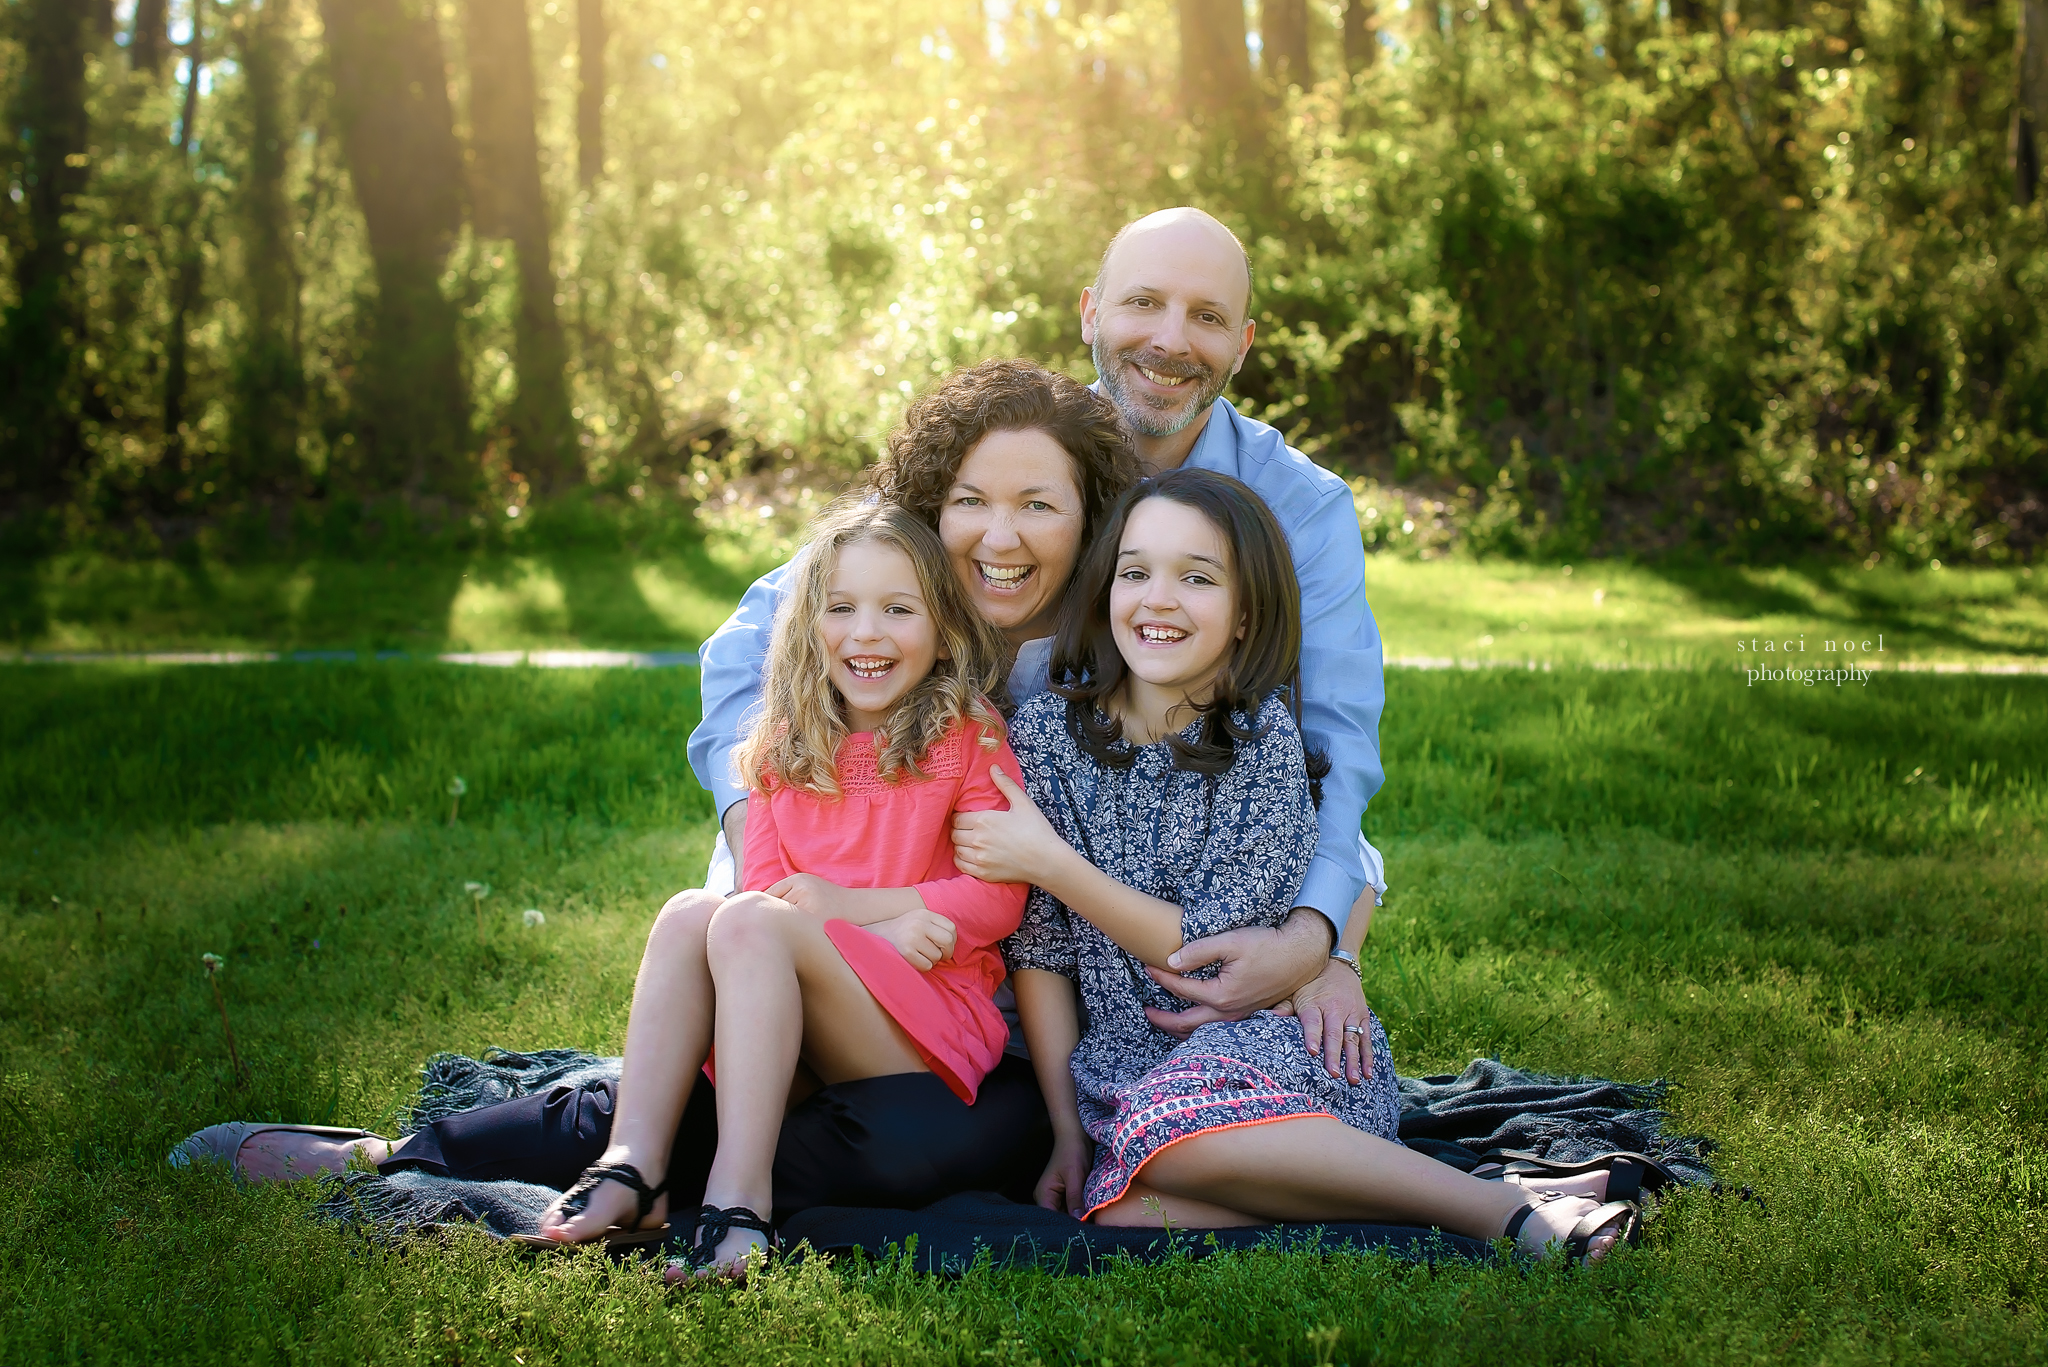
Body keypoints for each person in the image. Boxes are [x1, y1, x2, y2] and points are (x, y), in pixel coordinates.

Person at [173, 361, 1137, 1211]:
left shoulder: (1096, 673)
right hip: (799, 983)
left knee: (870, 1142)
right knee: (676, 1064)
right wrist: (826, 922)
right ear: (930, 512)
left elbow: (1011, 896)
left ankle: (685, 1181)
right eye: (971, 499)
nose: (1000, 534)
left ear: (1090, 520)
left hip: (969, 1039)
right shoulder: (831, 663)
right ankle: (411, 1156)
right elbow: (752, 724)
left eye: (1039, 505)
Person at [956, 468, 1638, 1260]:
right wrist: (1067, 1132)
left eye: (1197, 578)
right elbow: (1042, 952)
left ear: (1246, 615)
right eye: (1135, 571)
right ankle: (1407, 1191)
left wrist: (1049, 860)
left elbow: (1200, 950)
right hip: (1126, 1067)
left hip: (1268, 1046)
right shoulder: (1043, 738)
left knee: (1160, 1140)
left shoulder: (1262, 745)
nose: (1157, 599)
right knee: (1124, 1212)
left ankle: (1503, 1214)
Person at [534, 497, 1031, 1278]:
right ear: (809, 626)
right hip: (811, 1013)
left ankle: (741, 1199)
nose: (866, 632)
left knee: (749, 922)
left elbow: (998, 898)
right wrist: (875, 929)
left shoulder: (969, 734)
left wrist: (862, 917)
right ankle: (634, 1163)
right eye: (842, 608)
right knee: (693, 911)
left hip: (924, 1023)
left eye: (898, 609)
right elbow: (762, 897)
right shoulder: (777, 747)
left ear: (942, 632)